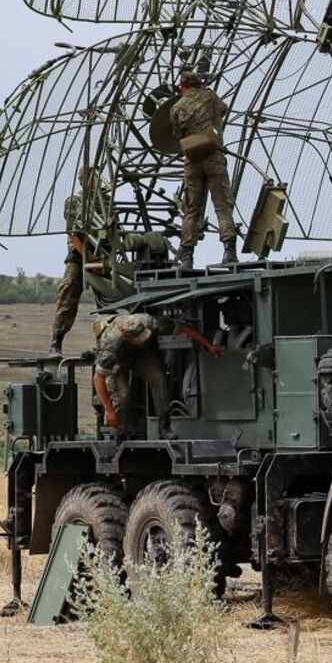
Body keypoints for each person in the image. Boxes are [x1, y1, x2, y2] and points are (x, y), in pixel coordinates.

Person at [92, 312, 222, 439]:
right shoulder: (110, 345)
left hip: (136, 353)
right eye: (139, 339)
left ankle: (164, 428)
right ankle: (118, 434)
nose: (144, 340)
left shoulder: (150, 322)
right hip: (118, 359)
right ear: (129, 337)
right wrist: (108, 409)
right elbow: (98, 378)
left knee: (158, 377)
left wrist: (208, 345)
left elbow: (183, 328)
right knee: (122, 396)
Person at [169, 69, 237, 267]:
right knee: (222, 205)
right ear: (198, 84)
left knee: (191, 210)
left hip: (193, 161)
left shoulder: (177, 107)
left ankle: (187, 257)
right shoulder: (210, 96)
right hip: (214, 157)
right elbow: (224, 109)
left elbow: (177, 134)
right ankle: (229, 252)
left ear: (182, 86)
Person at [48, 167, 102, 358]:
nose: (98, 182)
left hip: (101, 257)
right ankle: (56, 343)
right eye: (93, 179)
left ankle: (103, 343)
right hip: (79, 256)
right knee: (68, 295)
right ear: (83, 182)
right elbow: (73, 235)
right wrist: (88, 255)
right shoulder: (75, 202)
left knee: (106, 302)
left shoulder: (104, 203)